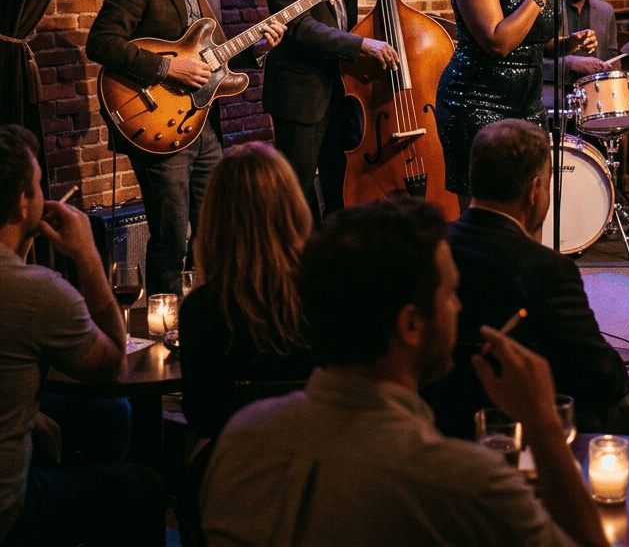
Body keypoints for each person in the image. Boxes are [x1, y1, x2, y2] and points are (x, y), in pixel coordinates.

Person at [200, 198, 607, 547]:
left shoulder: (241, 437)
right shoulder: (465, 483)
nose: (459, 308)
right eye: (450, 294)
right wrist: (543, 424)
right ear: (411, 325)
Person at [424, 119, 629, 440]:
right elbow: (603, 380)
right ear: (534, 191)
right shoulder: (548, 269)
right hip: (536, 427)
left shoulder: (430, 246)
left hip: (443, 418)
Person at [87, 0, 285, 292]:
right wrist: (167, 67)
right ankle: (165, 327)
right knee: (171, 238)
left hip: (204, 126)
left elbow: (214, 55)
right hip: (159, 123)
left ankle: (206, 314)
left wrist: (260, 46)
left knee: (213, 230)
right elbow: (102, 43)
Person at [0, 125, 165, 547]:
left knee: (111, 414)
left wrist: (25, 410)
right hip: (8, 515)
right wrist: (89, 256)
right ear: (22, 204)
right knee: (142, 485)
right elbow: (112, 363)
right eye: (38, 186)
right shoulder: (35, 291)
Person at [435, 0, 596, 206]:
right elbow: (499, 42)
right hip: (476, 105)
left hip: (528, 106)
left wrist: (568, 44)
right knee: (485, 214)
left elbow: (536, 40)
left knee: (531, 204)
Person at [262, 0, 414, 223]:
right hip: (301, 91)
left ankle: (335, 251)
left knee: (339, 177)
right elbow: (300, 28)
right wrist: (362, 44)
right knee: (299, 187)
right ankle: (303, 261)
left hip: (343, 88)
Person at [178, 142, 319, 440]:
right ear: (292, 207)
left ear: (215, 218)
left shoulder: (200, 310)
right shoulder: (323, 293)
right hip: (320, 462)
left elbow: (201, 416)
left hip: (237, 471)